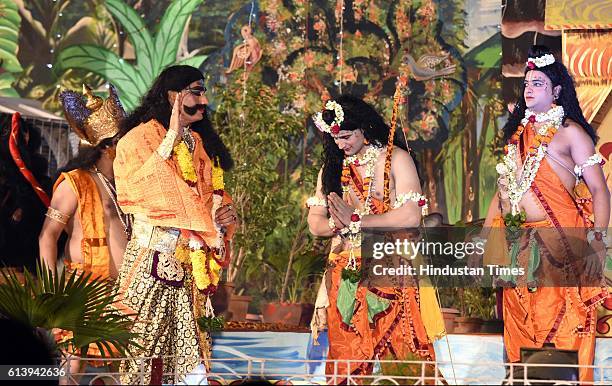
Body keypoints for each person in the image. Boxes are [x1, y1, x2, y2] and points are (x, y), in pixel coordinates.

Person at [479, 45, 609, 383]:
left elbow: (599, 190)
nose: (529, 89)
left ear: (557, 91)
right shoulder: (517, 137)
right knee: (522, 325)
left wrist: (596, 239)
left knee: (562, 326)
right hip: (520, 247)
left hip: (562, 245)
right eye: (526, 84)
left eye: (538, 83)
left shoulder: (570, 132)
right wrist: (484, 240)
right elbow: (504, 191)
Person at [112, 65, 237, 384]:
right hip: (153, 264)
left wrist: (223, 218)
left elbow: (209, 199)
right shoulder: (137, 139)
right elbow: (141, 188)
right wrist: (170, 134)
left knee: (193, 362)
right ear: (173, 96)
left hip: (191, 271)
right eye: (197, 91)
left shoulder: (198, 143)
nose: (204, 100)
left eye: (203, 91)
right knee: (143, 359)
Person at [306, 95, 443, 383]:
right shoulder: (331, 169)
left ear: (364, 129)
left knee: (401, 347)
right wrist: (338, 223)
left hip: (390, 271)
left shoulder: (395, 159)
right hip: (346, 274)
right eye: (335, 139)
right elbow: (315, 225)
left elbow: (410, 216)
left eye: (346, 136)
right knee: (348, 352)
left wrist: (357, 220)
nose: (341, 145)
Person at [39, 85, 129, 280]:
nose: (130, 145)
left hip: (127, 295)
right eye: (123, 140)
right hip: (85, 296)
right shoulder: (75, 182)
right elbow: (47, 236)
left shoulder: (126, 182)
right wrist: (50, 292)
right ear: (106, 147)